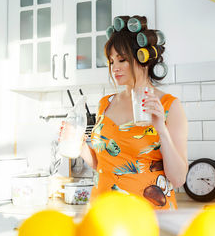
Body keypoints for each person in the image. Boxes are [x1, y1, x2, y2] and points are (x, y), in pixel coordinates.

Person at [80, 16, 188, 210]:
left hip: (148, 216)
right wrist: (78, 145)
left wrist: (161, 130)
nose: (115, 68)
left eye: (122, 60)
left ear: (143, 60)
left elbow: (178, 178)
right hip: (104, 213)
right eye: (111, 62)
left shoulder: (169, 106)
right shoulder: (105, 104)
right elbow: (103, 164)